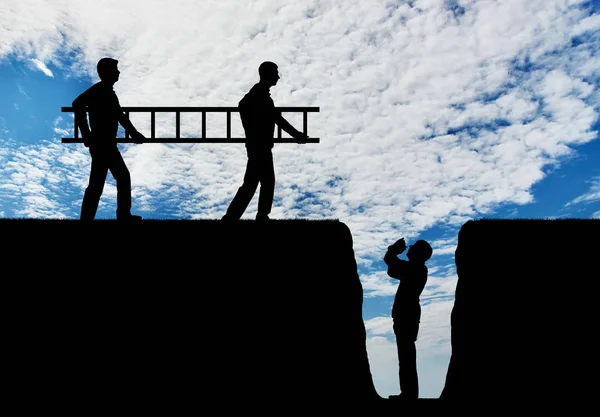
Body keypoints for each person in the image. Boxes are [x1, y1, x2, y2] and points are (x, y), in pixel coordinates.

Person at [221, 61, 308, 221]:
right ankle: (250, 216)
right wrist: (297, 135)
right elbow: (278, 119)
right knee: (262, 182)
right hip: (259, 146)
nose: (278, 76)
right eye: (275, 73)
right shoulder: (260, 97)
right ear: (267, 74)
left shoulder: (259, 95)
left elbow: (251, 109)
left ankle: (236, 216)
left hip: (257, 145)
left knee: (255, 182)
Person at [72, 57, 145, 221]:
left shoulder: (108, 92)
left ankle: (119, 215)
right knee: (108, 181)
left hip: (107, 144)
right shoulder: (99, 90)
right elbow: (77, 104)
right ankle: (114, 215)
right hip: (102, 144)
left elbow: (120, 116)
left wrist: (133, 133)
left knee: (110, 180)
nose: (118, 72)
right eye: (115, 69)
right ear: (107, 72)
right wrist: (86, 133)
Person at [384, 237, 433, 400]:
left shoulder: (416, 268)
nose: (409, 249)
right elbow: (393, 267)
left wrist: (393, 251)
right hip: (408, 314)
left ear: (418, 253)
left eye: (413, 248)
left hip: (406, 315)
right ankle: (409, 393)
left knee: (406, 357)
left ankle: (409, 394)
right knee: (406, 356)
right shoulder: (417, 268)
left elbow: (392, 265)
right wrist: (393, 252)